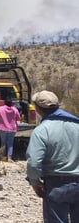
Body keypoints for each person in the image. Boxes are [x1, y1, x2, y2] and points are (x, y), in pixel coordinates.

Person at [26, 90, 79, 223]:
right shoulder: (77, 125)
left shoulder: (42, 130)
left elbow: (33, 162)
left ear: (38, 109)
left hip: (56, 184)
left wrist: (34, 182)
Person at [0, 97, 20, 162]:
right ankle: (9, 157)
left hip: (2, 128)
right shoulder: (15, 109)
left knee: (3, 142)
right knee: (10, 143)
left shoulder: (1, 109)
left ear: (4, 102)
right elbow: (18, 118)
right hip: (12, 128)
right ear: (12, 103)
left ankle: (2, 156)